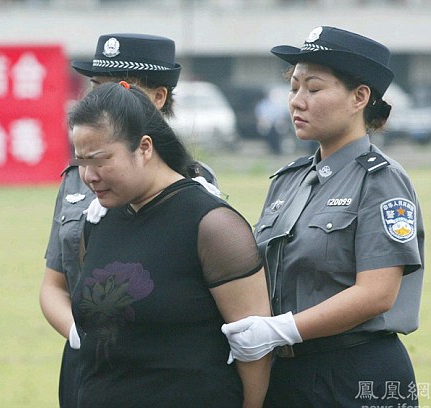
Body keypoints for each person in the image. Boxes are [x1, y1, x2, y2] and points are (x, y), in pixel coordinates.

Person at [222, 26, 424, 407]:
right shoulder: (288, 181)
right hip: (286, 373)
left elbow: (377, 293)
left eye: (313, 89)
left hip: (355, 371)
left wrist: (283, 329)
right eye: (294, 87)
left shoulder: (381, 180)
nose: (297, 101)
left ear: (359, 97)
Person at [64, 81, 271, 407]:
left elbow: (255, 347)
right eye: (81, 162)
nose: (89, 175)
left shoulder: (213, 226)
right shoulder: (98, 222)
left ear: (144, 148)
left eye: (100, 159)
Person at [39, 33, 220, 408]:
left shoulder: (195, 189)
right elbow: (54, 284)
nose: (100, 101)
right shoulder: (76, 179)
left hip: (160, 371)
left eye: (118, 88)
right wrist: (82, 335)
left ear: (157, 99)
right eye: (95, 88)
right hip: (87, 363)